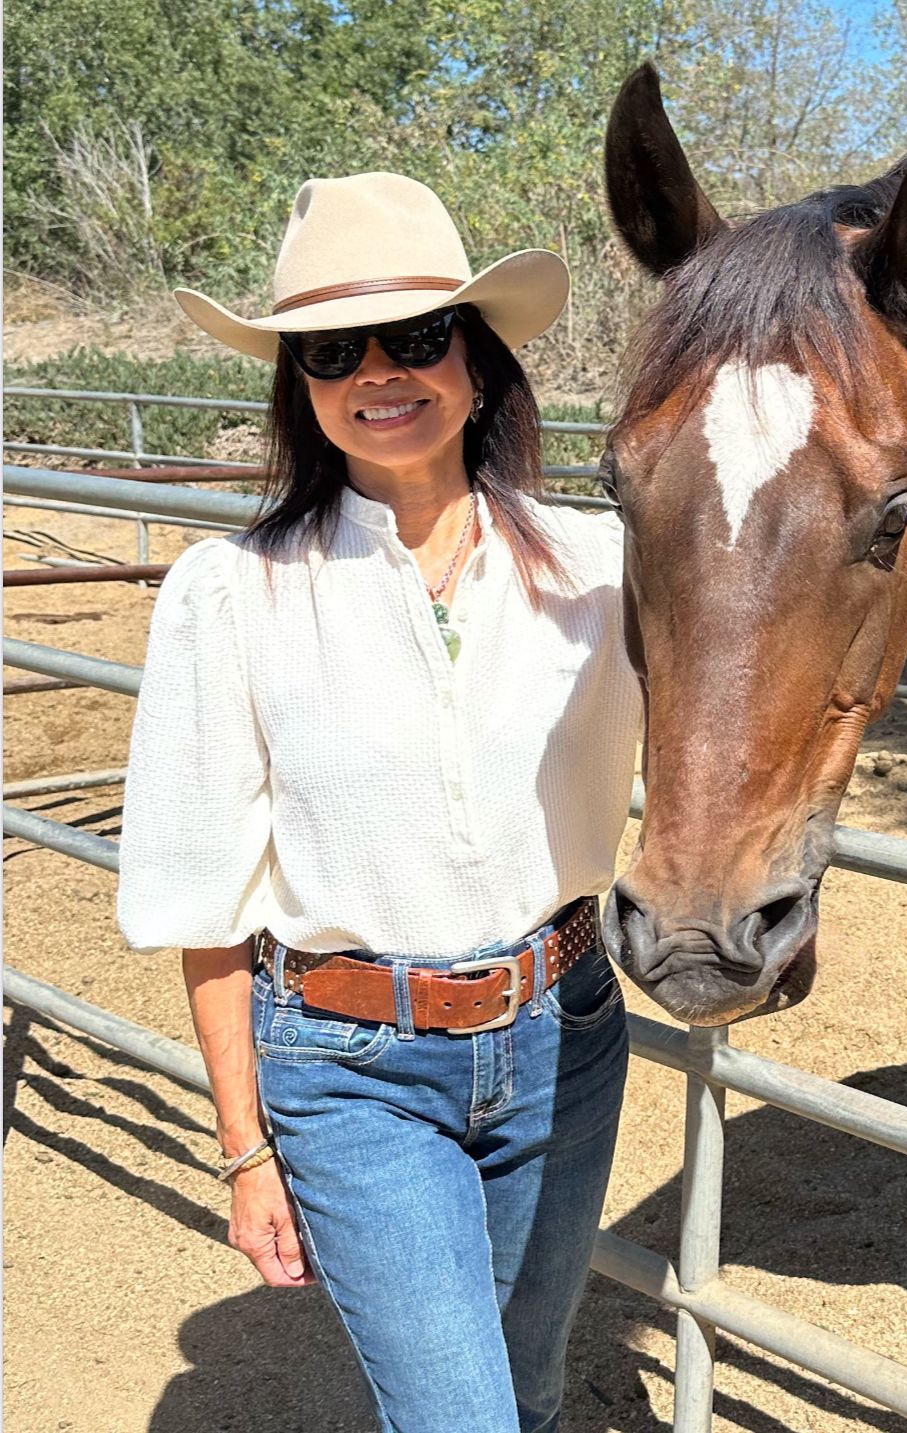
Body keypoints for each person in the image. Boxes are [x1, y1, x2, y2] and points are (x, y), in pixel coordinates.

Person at [116, 171, 643, 1432]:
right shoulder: (229, 595)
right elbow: (208, 898)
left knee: (527, 1390)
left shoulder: (603, 568)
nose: (377, 372)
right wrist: (246, 1149)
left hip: (562, 1032)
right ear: (299, 382)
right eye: (330, 350)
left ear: (477, 354)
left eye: (415, 335)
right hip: (352, 1067)